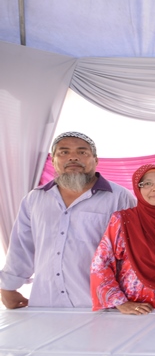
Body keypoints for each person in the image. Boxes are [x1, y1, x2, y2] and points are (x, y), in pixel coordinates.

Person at [0, 131, 136, 309]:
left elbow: (133, 251)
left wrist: (122, 299)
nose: (73, 157)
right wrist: (8, 287)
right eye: (64, 152)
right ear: (53, 161)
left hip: (102, 306)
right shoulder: (34, 199)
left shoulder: (119, 197)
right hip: (46, 304)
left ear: (95, 160)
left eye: (82, 152)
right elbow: (22, 246)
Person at [90, 164, 155, 314]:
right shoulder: (123, 220)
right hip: (134, 311)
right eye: (147, 183)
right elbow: (101, 263)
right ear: (137, 189)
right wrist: (120, 302)